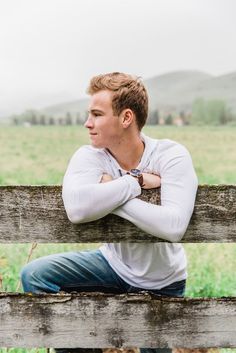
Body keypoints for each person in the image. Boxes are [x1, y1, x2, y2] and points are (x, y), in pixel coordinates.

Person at [21, 72, 198, 353]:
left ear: (126, 118)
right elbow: (77, 209)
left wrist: (113, 194)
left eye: (97, 114)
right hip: (112, 266)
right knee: (36, 275)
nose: (87, 123)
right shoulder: (90, 155)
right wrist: (135, 182)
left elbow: (174, 226)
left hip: (162, 282)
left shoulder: (170, 155)